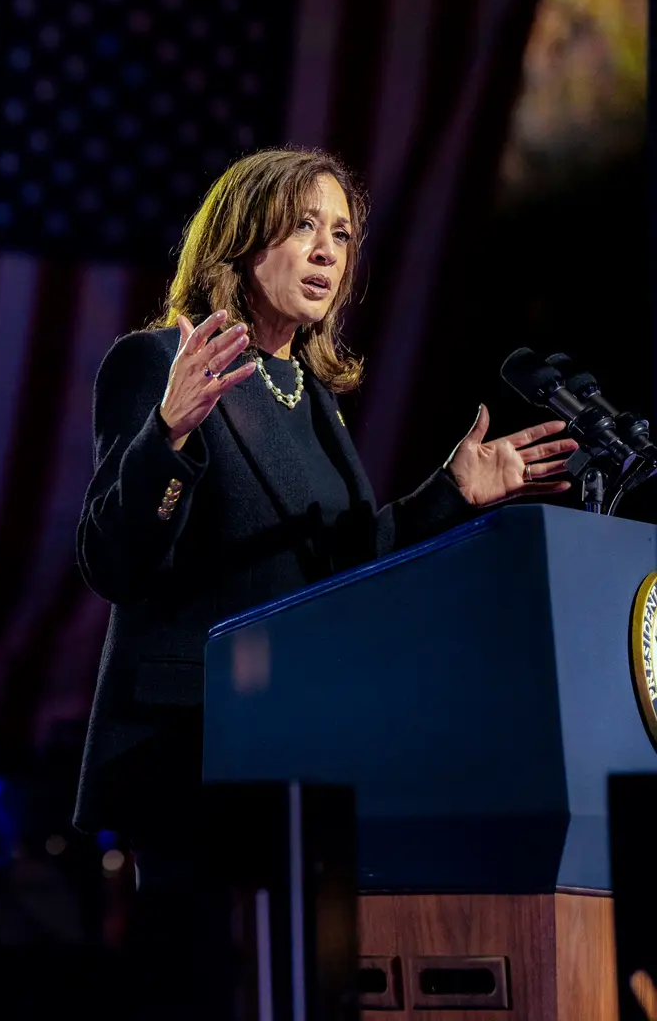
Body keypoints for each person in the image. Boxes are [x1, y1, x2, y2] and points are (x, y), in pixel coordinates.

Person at [71, 147, 574, 1012]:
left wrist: (453, 494)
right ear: (241, 236)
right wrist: (171, 431)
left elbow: (346, 571)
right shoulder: (160, 361)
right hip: (195, 751)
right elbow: (114, 561)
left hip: (304, 758)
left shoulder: (312, 397)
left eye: (341, 233)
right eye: (303, 224)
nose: (327, 250)